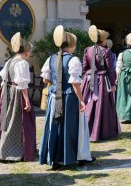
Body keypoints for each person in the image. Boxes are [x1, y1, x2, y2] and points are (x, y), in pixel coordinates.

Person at [39, 25, 95, 170]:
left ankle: (55, 160)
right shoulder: (73, 59)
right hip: (68, 98)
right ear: (71, 45)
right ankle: (69, 158)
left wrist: (57, 82)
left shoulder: (51, 58)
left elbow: (45, 79)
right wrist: (82, 100)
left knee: (55, 126)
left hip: (54, 97)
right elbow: (75, 83)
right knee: (70, 127)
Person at [0, 32, 36, 162]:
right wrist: (27, 101)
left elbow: (4, 78)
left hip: (8, 94)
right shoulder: (22, 63)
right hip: (17, 94)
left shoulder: (10, 62)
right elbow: (22, 84)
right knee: (19, 122)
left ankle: (3, 150)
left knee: (5, 121)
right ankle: (17, 150)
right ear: (27, 51)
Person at [81, 25, 118, 141]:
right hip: (101, 81)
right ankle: (101, 132)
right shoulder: (106, 51)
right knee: (101, 106)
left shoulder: (87, 50)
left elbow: (84, 67)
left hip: (88, 80)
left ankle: (86, 130)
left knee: (89, 104)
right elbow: (110, 69)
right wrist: (112, 84)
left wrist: (89, 75)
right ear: (102, 39)